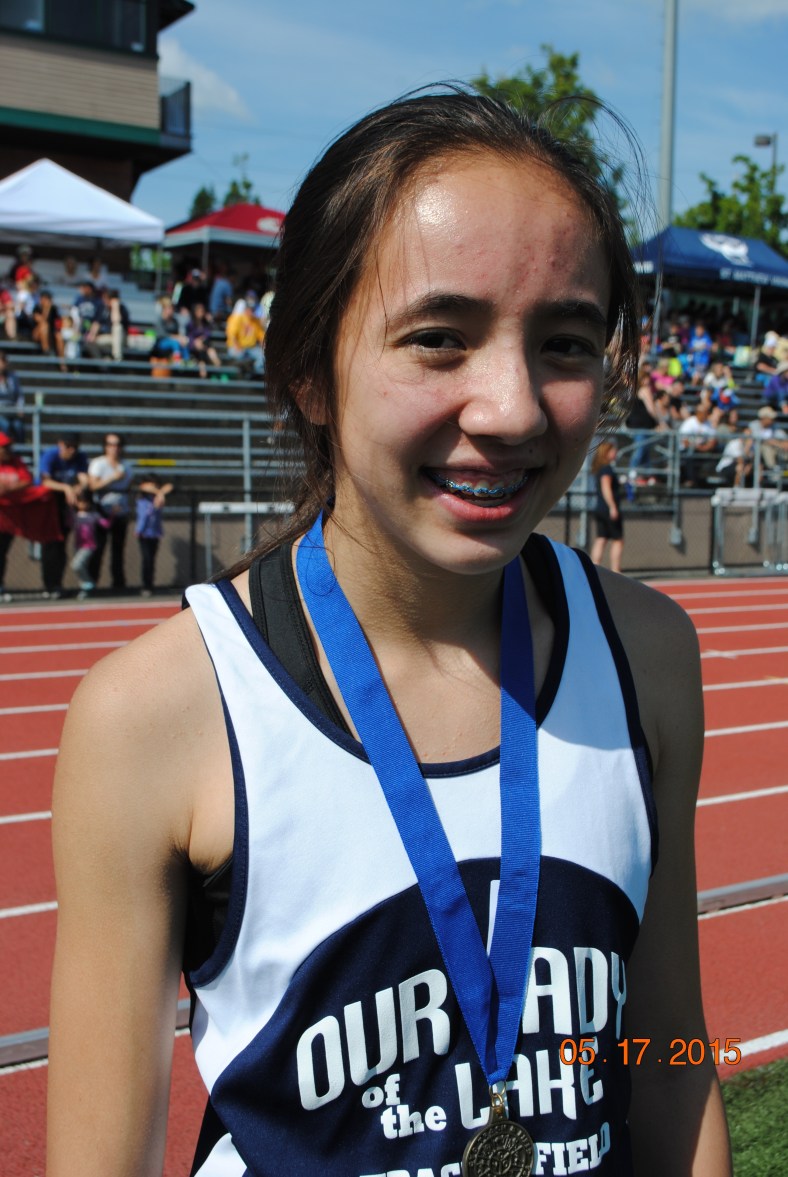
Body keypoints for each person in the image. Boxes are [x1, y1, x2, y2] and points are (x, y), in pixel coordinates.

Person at [48, 90, 731, 1177]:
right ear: (307, 372)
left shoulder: (648, 655)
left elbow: (666, 1048)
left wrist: (670, 1073)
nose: (510, 407)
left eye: (562, 341)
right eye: (436, 339)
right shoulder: (156, 717)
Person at [39, 432, 90, 598]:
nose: (71, 450)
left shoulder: (80, 457)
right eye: (68, 446)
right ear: (60, 444)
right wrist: (66, 488)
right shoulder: (50, 455)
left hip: (65, 507)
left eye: (74, 447)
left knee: (61, 547)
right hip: (47, 505)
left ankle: (57, 584)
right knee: (50, 546)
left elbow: (84, 478)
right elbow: (45, 481)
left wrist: (79, 487)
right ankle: (49, 585)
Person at [86, 432, 134, 590]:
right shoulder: (98, 464)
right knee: (98, 549)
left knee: (118, 551)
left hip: (120, 513)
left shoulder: (126, 466)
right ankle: (92, 583)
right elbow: (93, 486)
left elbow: (128, 488)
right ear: (105, 447)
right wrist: (112, 478)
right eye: (111, 444)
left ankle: (118, 585)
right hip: (102, 514)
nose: (115, 448)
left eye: (118, 444)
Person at [135, 475, 173, 595]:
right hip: (144, 534)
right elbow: (145, 516)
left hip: (155, 534)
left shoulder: (157, 498)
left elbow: (170, 486)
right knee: (147, 560)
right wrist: (157, 498)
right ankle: (146, 585)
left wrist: (159, 494)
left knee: (151, 560)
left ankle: (150, 584)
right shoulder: (141, 499)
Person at [590, 440, 624, 572]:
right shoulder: (607, 469)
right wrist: (613, 506)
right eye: (612, 450)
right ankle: (616, 571)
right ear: (606, 453)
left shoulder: (600, 469)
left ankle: (594, 569)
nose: (615, 452)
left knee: (601, 538)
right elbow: (606, 488)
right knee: (618, 540)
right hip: (607, 509)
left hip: (600, 508)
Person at [69, 487, 109, 600]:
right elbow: (69, 520)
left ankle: (88, 583)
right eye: (80, 502)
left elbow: (106, 524)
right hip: (78, 544)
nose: (83, 505)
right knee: (82, 567)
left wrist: (112, 515)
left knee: (76, 564)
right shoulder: (75, 515)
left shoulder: (93, 515)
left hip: (89, 545)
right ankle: (84, 589)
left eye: (85, 502)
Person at [0, 350, 24, 442]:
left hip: (12, 410)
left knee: (18, 426)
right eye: (2, 360)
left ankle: (20, 452)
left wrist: (20, 408)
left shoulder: (13, 377)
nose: (4, 363)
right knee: (5, 425)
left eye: (4, 361)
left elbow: (19, 395)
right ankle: (5, 448)